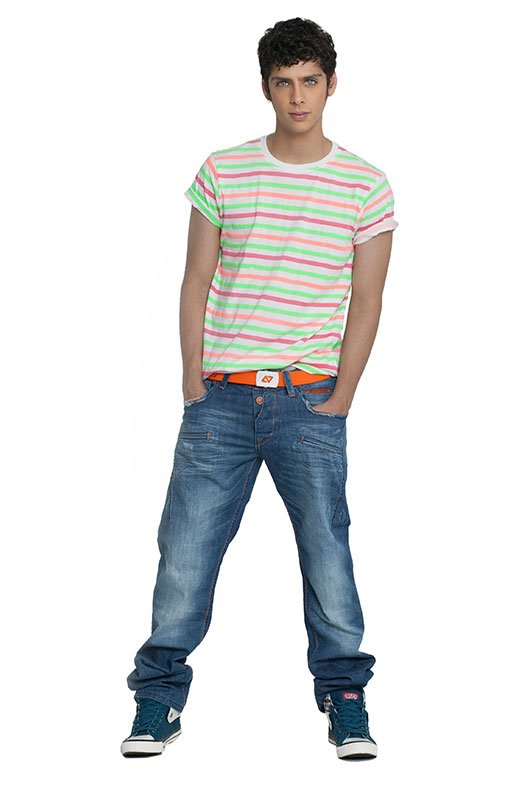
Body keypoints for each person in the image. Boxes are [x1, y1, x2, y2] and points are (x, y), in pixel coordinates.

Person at [121, 16, 398, 761]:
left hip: (310, 399)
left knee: (327, 552)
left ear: (331, 84)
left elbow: (368, 298)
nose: (297, 96)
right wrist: (191, 378)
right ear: (265, 88)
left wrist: (343, 394)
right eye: (284, 82)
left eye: (310, 81)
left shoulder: (364, 184)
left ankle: (345, 697)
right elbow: (196, 279)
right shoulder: (224, 171)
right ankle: (157, 698)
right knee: (185, 552)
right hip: (220, 398)